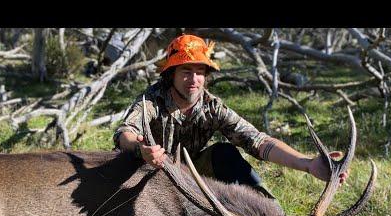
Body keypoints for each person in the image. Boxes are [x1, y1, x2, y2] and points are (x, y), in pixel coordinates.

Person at [113, 34, 348, 197]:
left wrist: (307, 164)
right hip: (151, 172)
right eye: (186, 71)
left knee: (224, 153)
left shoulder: (213, 107)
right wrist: (140, 150)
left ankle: (270, 214)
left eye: (199, 72)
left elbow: (258, 141)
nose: (193, 80)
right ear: (171, 75)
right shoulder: (152, 99)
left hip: (191, 173)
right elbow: (125, 132)